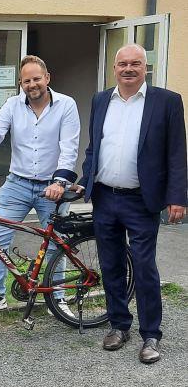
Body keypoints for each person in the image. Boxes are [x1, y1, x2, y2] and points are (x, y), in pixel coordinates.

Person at [78, 43, 186, 364]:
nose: (128, 69)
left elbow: (176, 153)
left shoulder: (166, 102)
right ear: (114, 68)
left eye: (135, 64)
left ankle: (151, 334)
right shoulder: (101, 100)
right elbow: (93, 149)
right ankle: (119, 325)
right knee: (110, 266)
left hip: (141, 201)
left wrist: (177, 197)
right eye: (122, 64)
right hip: (105, 197)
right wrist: (85, 180)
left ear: (145, 68)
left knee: (143, 266)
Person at [0, 55, 79, 315]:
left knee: (56, 243)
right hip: (17, 184)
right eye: (27, 80)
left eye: (37, 79)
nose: (33, 84)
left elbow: (69, 148)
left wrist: (59, 182)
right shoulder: (12, 105)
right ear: (21, 83)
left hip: (52, 187)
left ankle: (58, 298)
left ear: (47, 78)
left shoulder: (66, 105)